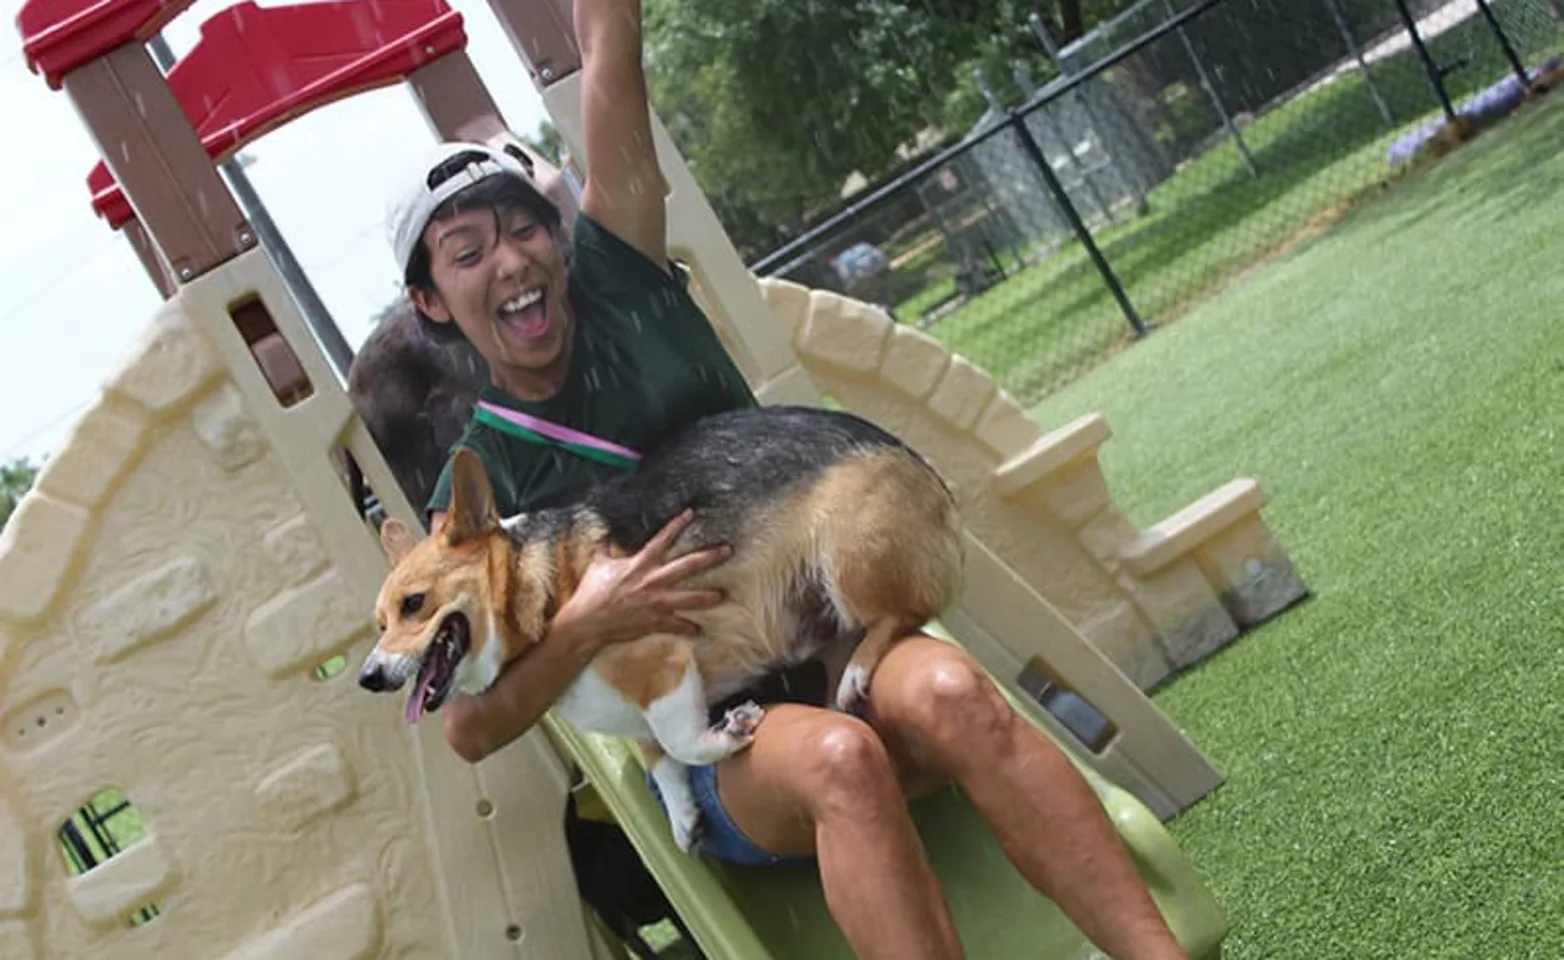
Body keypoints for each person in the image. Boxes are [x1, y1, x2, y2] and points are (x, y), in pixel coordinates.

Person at [383, 2, 1190, 957]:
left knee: (960, 699)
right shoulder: (478, 487)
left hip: (840, 633)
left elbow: (612, 54)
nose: (511, 261)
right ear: (432, 301)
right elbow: (470, 729)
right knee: (842, 760)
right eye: (469, 253)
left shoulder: (623, 275)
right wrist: (591, 622)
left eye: (524, 231)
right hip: (724, 740)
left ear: (556, 242)